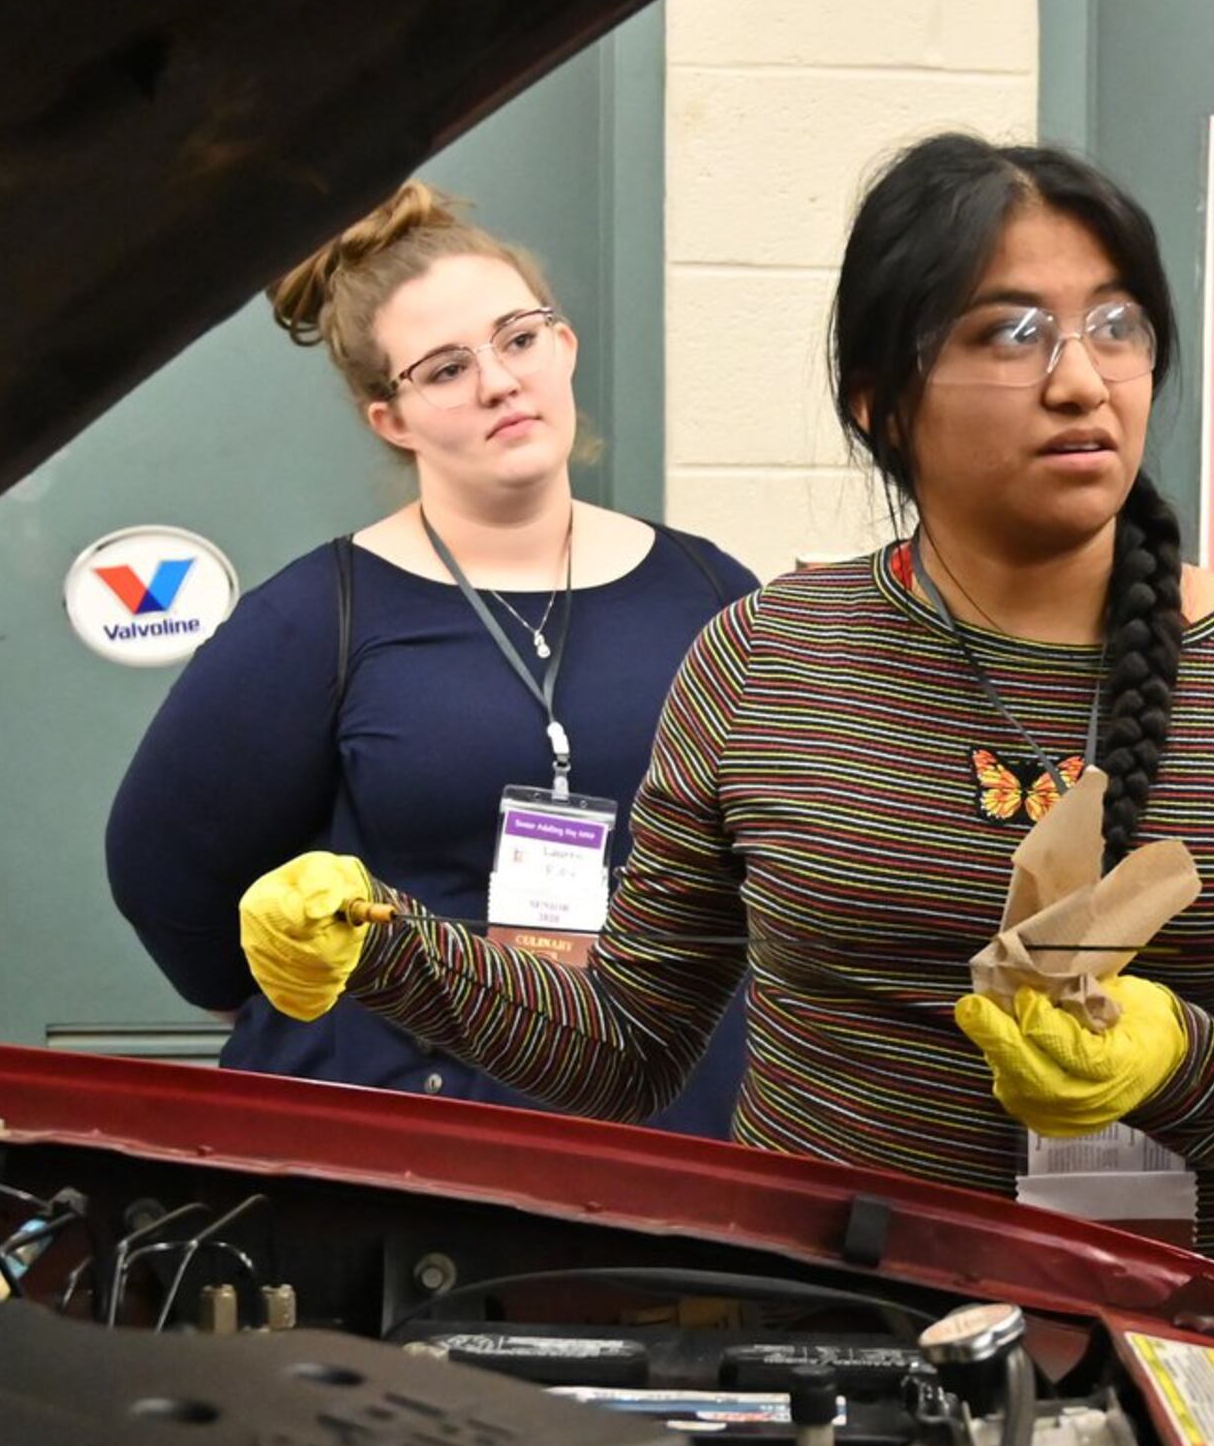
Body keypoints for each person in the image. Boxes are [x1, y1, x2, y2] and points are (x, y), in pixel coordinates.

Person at [229, 134, 1214, 1264]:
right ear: (876, 403)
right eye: (1010, 332)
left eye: (1117, 325)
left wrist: (1172, 1061)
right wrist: (382, 945)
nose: (1080, 380)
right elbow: (628, 1047)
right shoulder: (767, 657)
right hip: (828, 1326)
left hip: (1157, 1339)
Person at [106, 183, 756, 1137]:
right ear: (392, 420)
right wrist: (295, 998)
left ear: (565, 347)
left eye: (520, 339)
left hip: (674, 1132)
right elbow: (162, 869)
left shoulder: (707, 589)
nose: (499, 382)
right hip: (421, 1139)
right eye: (446, 369)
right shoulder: (317, 618)